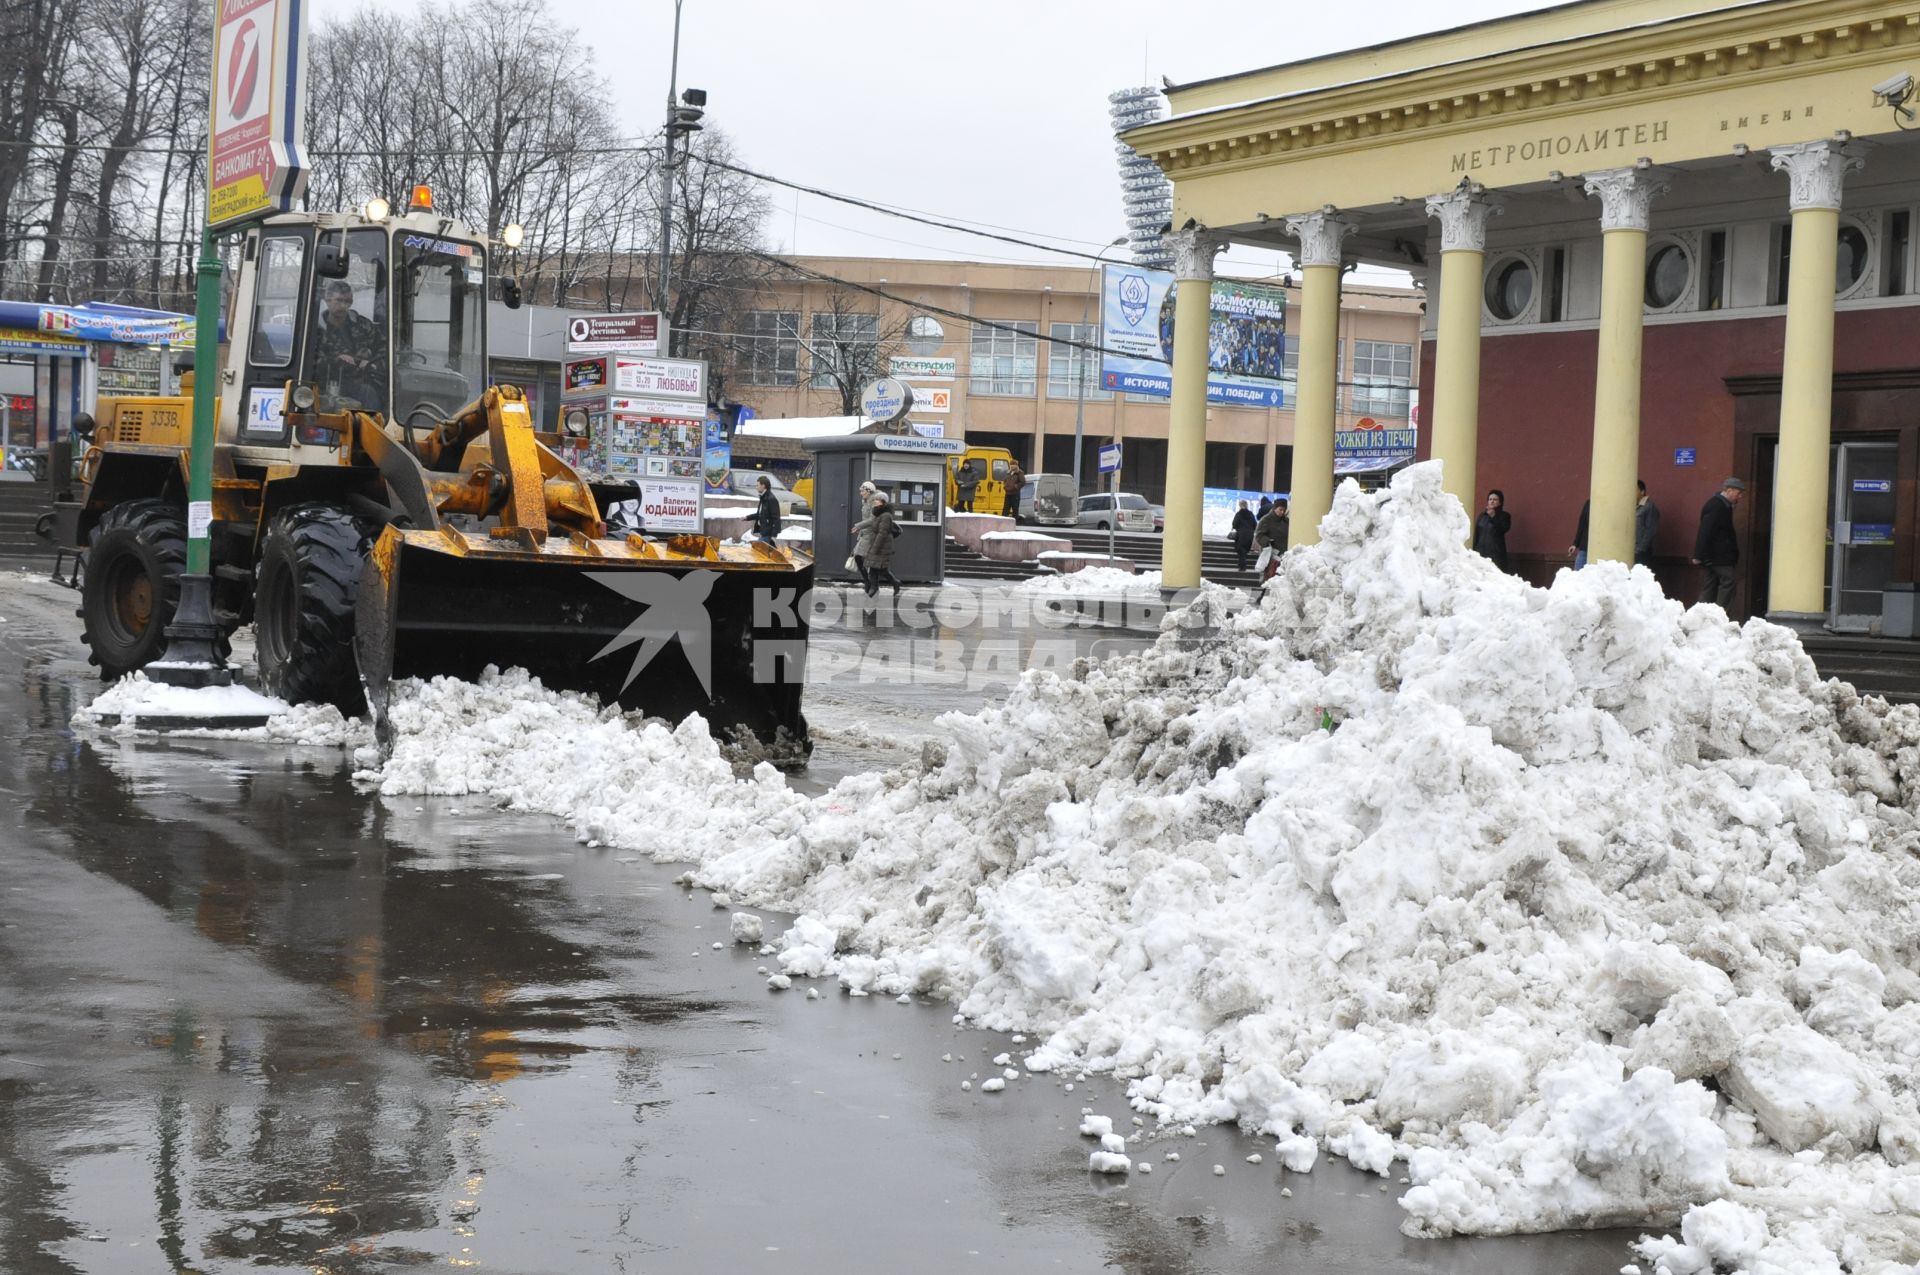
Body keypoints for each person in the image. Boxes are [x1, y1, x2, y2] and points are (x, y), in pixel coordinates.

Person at [312, 279, 383, 408]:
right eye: (339, 300)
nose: (344, 306)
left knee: (370, 393)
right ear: (327, 300)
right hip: (324, 384)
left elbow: (385, 349)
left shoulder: (363, 325)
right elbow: (309, 361)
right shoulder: (314, 329)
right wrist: (336, 359)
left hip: (359, 383)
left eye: (347, 301)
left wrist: (371, 361)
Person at [1692, 477, 1745, 610]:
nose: (1740, 496)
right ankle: (1719, 614)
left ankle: (1700, 615)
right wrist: (1697, 555)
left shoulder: (1720, 505)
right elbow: (1705, 530)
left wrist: (1699, 555)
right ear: (1729, 490)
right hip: (1719, 556)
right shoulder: (1717, 506)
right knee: (1728, 582)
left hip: (1714, 556)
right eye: (1738, 493)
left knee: (1710, 586)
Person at [859, 498, 902, 598]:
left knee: (879, 568)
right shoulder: (878, 514)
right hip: (878, 544)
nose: (874, 504)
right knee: (876, 567)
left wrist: (875, 548)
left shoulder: (886, 516)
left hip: (882, 546)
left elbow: (882, 533)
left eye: (877, 502)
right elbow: (874, 529)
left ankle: (875, 589)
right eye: (874, 502)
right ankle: (877, 588)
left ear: (883, 504)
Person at [1473, 489, 1512, 572]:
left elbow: (1503, 529)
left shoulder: (1504, 516)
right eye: (1490, 499)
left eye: (1495, 500)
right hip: (1480, 553)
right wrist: (1474, 551)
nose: (1492, 501)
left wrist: (1493, 517)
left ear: (1500, 502)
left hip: (1496, 555)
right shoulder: (1482, 516)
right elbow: (1477, 534)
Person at [850, 480, 879, 582]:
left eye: (862, 491)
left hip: (871, 535)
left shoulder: (874, 502)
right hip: (865, 534)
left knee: (861, 557)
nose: (860, 493)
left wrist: (858, 526)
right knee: (858, 557)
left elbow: (872, 519)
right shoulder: (865, 501)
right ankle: (868, 582)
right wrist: (860, 528)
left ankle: (869, 583)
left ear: (868, 491)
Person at [1254, 498, 1289, 581]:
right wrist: (1267, 541)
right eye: (1280, 509)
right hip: (1271, 555)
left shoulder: (1286, 521)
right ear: (1275, 508)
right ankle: (1265, 592)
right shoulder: (1266, 519)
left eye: (1284, 510)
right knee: (1270, 576)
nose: (1282, 512)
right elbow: (1259, 535)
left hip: (1283, 554)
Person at [1634, 479, 1660, 567]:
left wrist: (1640, 549)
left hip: (1641, 552)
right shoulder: (1629, 506)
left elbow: (1651, 530)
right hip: (1629, 550)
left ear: (1642, 491)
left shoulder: (1649, 507)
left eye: (1634, 489)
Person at [751, 475, 781, 544]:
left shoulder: (770, 499)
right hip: (764, 532)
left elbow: (776, 517)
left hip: (767, 534)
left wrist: (773, 535)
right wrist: (747, 517)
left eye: (757, 485)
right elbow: (760, 514)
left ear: (763, 486)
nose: (756, 487)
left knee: (758, 550)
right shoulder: (764, 497)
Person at [1230, 500, 1257, 572]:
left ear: (1240, 505)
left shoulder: (1238, 514)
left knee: (1241, 550)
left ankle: (1242, 566)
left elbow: (1234, 524)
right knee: (1245, 550)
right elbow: (1255, 524)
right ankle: (1242, 565)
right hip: (1249, 535)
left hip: (1241, 535)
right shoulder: (1251, 514)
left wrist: (1238, 528)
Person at [1569, 499, 1591, 569]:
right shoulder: (1588, 503)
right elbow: (1582, 524)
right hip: (1585, 547)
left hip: (1600, 547)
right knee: (1578, 572)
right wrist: (1575, 544)